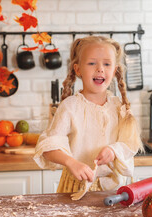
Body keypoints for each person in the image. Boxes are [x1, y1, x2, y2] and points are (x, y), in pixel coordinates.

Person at [33, 36, 143, 193]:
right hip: (76, 188)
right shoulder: (70, 106)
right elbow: (48, 146)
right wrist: (71, 163)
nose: (100, 68)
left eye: (107, 64)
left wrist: (114, 151)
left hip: (114, 188)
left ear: (115, 70)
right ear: (78, 70)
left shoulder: (119, 107)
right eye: (92, 63)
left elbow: (130, 144)